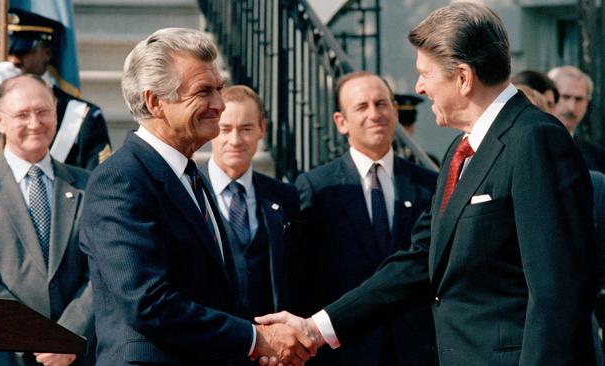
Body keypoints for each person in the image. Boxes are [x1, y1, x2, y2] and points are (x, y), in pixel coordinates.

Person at [257, 3, 600, 366]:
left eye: (425, 74)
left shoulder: (535, 140)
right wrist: (315, 329)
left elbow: (558, 295)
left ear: (463, 78)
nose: (419, 87)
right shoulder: (461, 149)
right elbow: (421, 257)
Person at [78, 28, 314, 366]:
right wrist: (255, 338)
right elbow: (148, 302)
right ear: (154, 101)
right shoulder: (121, 180)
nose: (219, 104)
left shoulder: (188, 176)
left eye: (218, 89)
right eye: (204, 92)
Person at [291, 71, 437, 366]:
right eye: (361, 107)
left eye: (382, 104)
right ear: (341, 122)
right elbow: (301, 277)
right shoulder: (317, 188)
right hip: (345, 350)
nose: (375, 114)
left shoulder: (429, 184)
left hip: (416, 349)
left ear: (395, 111)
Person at [0, 74, 94, 366]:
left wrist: (67, 335)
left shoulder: (88, 185)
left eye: (43, 112)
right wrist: (33, 335)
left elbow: (101, 270)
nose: (35, 123)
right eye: (22, 114)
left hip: (73, 354)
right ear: (0, 120)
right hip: (0, 354)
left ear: (56, 113)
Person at [200, 85, 300, 343]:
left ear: (262, 130)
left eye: (246, 129)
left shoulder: (285, 197)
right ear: (212, 131)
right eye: (225, 129)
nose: (235, 140)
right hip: (207, 345)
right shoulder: (188, 190)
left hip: (271, 349)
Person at [0, 8, 111, 170]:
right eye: (7, 51)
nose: (14, 60)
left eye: (24, 51)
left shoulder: (80, 114)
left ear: (47, 53)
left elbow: (98, 182)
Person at [548, 65, 605, 173]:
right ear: (549, 97)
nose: (571, 107)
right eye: (565, 97)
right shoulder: (530, 146)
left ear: (587, 102)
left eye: (579, 99)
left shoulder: (597, 156)